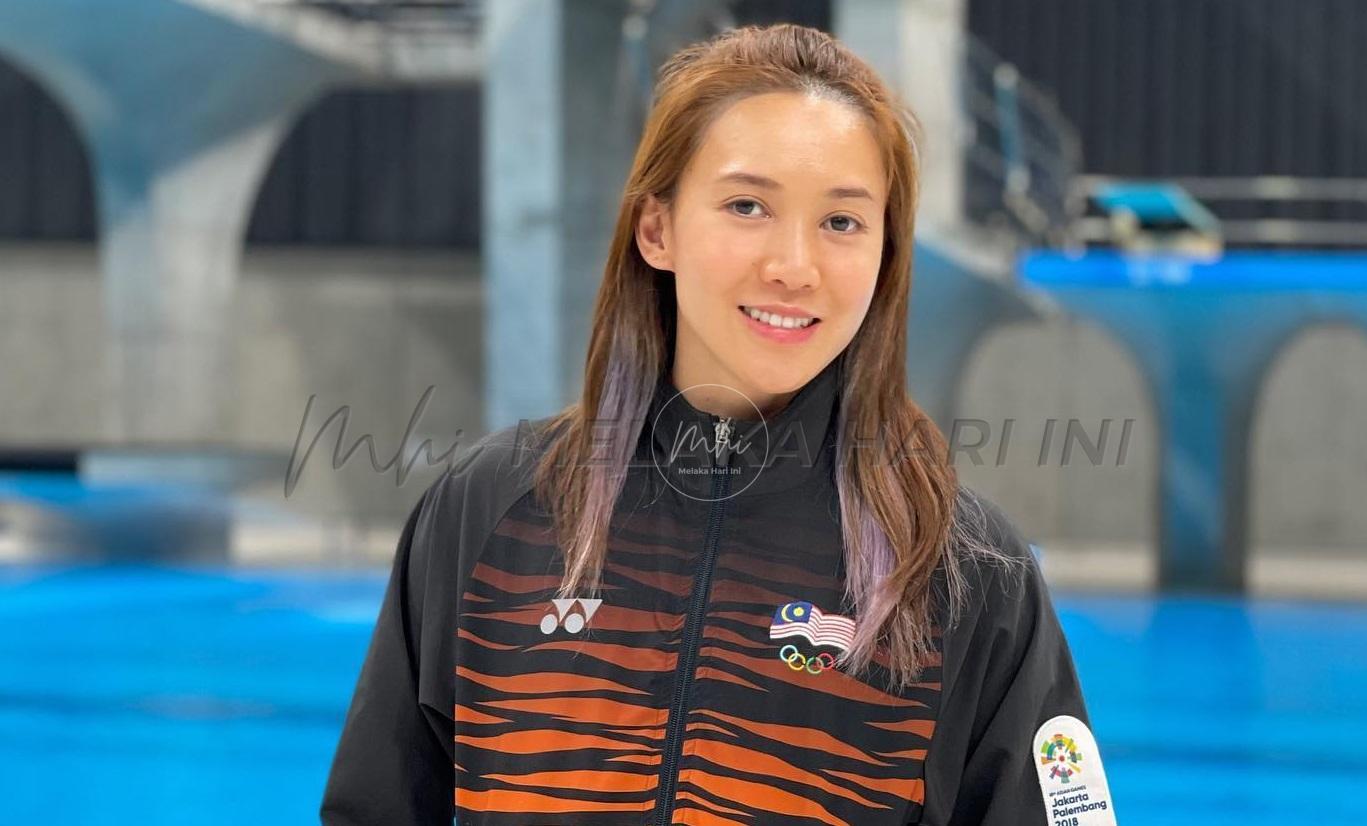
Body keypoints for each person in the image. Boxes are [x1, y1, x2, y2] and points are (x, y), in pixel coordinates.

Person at [320, 23, 1112, 826]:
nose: (793, 267)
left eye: (841, 222)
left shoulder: (960, 567)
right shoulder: (490, 510)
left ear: (884, 255)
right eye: (746, 206)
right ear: (656, 230)